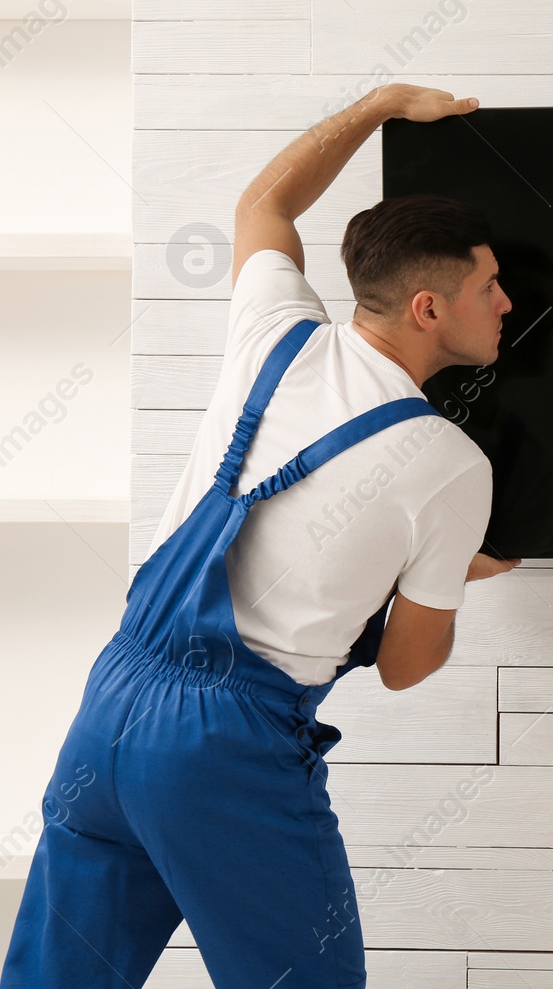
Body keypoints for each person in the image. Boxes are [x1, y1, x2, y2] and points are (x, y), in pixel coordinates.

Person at [3, 83, 520, 988]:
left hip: (111, 702)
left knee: (58, 978)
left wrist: (384, 102)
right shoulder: (449, 465)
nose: (508, 301)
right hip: (222, 749)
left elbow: (264, 203)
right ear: (429, 309)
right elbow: (405, 666)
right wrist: (450, 571)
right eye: (488, 285)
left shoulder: (274, 328)